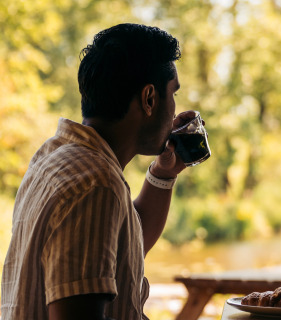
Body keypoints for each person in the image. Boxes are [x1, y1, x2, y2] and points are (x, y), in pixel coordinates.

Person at [1, 23, 199, 320]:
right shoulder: (96, 184)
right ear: (149, 99)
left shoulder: (54, 156)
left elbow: (125, 248)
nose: (174, 109)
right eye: (172, 94)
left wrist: (164, 172)